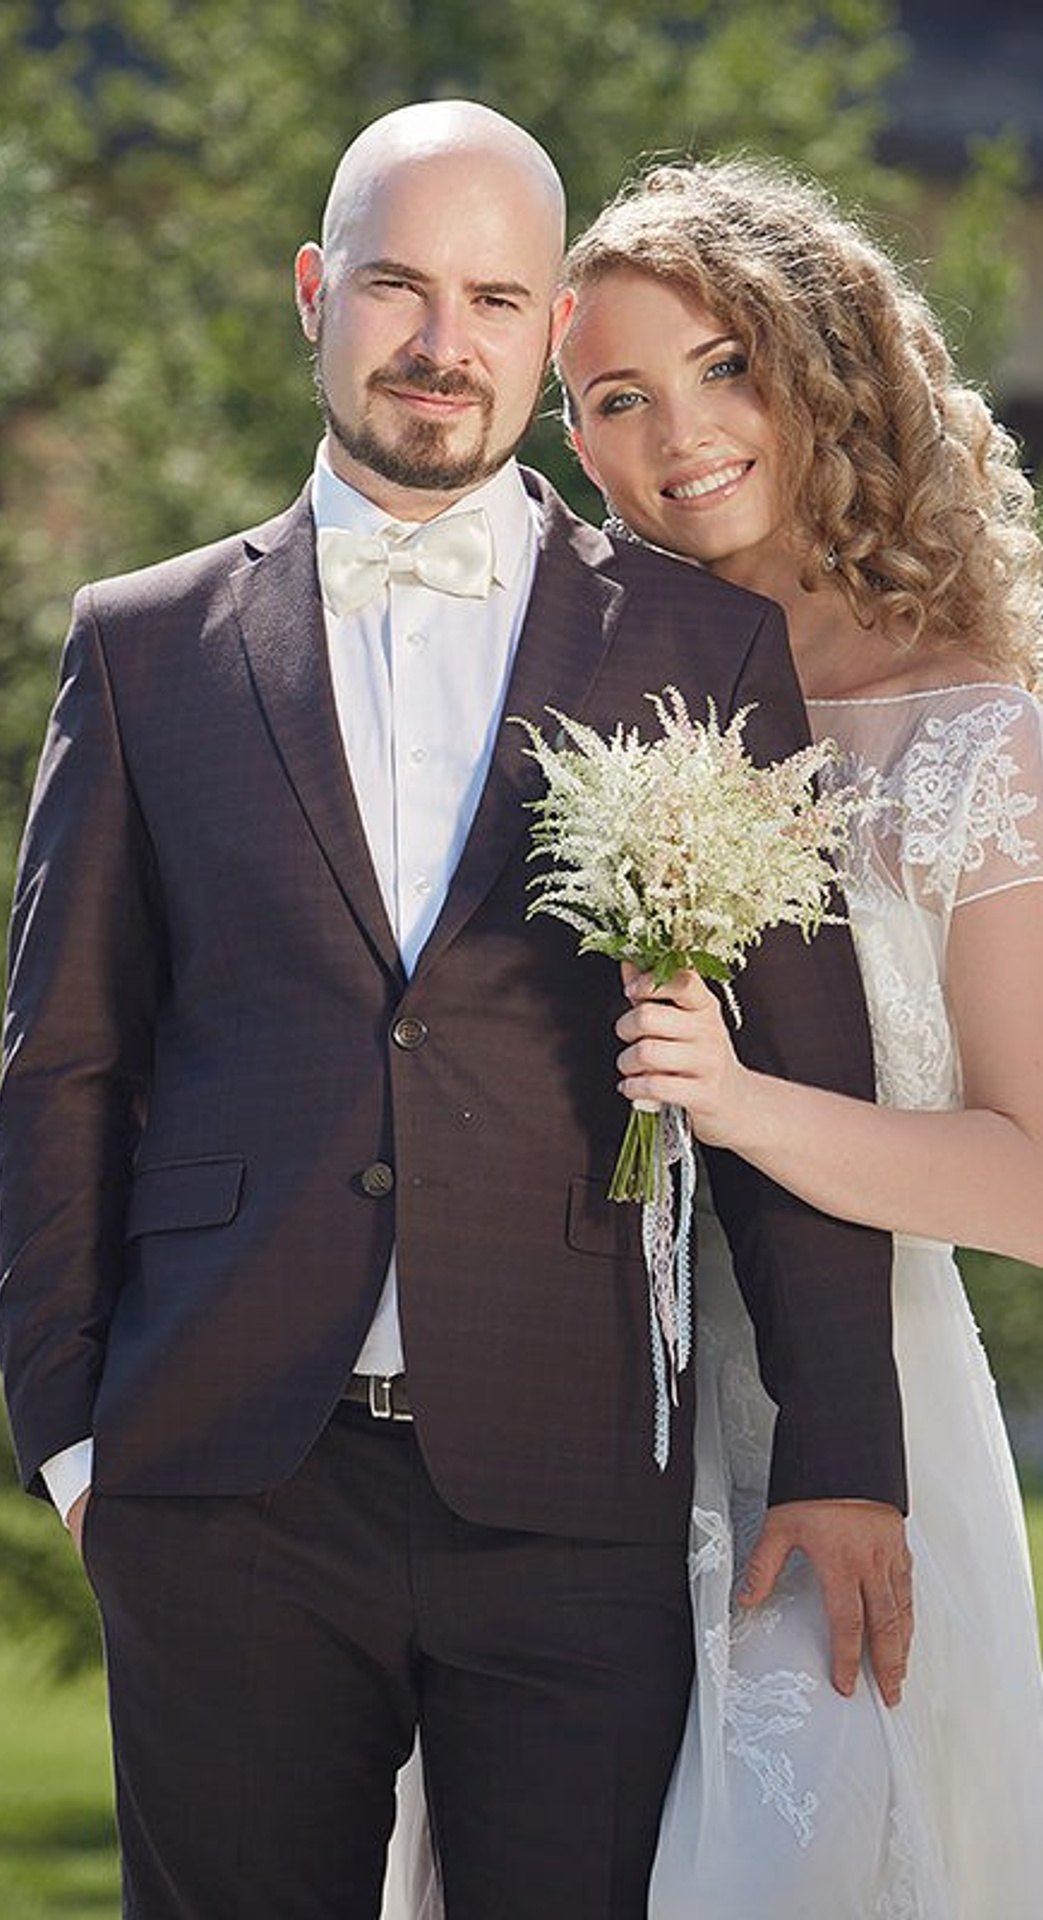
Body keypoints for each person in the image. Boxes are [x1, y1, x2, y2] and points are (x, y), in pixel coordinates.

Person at [0, 105, 912, 1920]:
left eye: (497, 296)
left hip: (571, 1484)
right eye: (401, 285)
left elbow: (801, 1070)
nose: (444, 340)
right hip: (223, 1482)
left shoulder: (698, 648)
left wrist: (843, 1450)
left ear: (548, 325)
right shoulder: (144, 644)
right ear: (314, 292)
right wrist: (76, 1440)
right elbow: (62, 1065)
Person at [549, 157, 1043, 1918]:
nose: (679, 434)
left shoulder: (966, 738)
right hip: (566, 1411)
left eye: (724, 366)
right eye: (616, 399)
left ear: (822, 367)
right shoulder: (574, 683)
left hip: (865, 1413)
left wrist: (736, 1102)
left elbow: (1037, 1189)